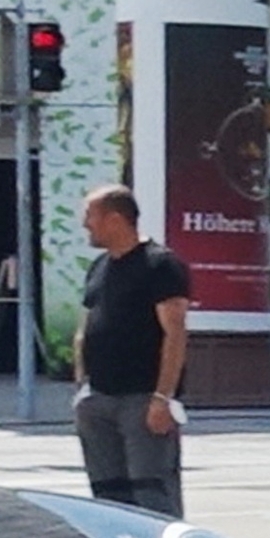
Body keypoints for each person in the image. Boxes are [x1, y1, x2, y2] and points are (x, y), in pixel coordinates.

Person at [71, 185, 190, 516]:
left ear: (114, 218)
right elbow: (86, 324)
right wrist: (82, 385)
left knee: (151, 492)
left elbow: (175, 333)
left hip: (141, 399)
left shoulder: (159, 265)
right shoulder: (99, 267)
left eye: (90, 216)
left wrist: (162, 398)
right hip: (98, 398)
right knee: (107, 494)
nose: (85, 224)